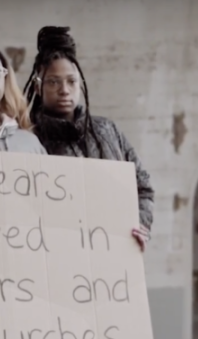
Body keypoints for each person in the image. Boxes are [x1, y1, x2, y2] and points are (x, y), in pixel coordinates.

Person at [23, 26, 154, 250]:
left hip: (114, 255)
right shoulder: (26, 138)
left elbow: (142, 186)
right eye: (54, 82)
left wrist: (140, 223)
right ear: (37, 86)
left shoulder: (108, 130)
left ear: (80, 84)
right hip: (54, 256)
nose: (64, 90)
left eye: (71, 81)